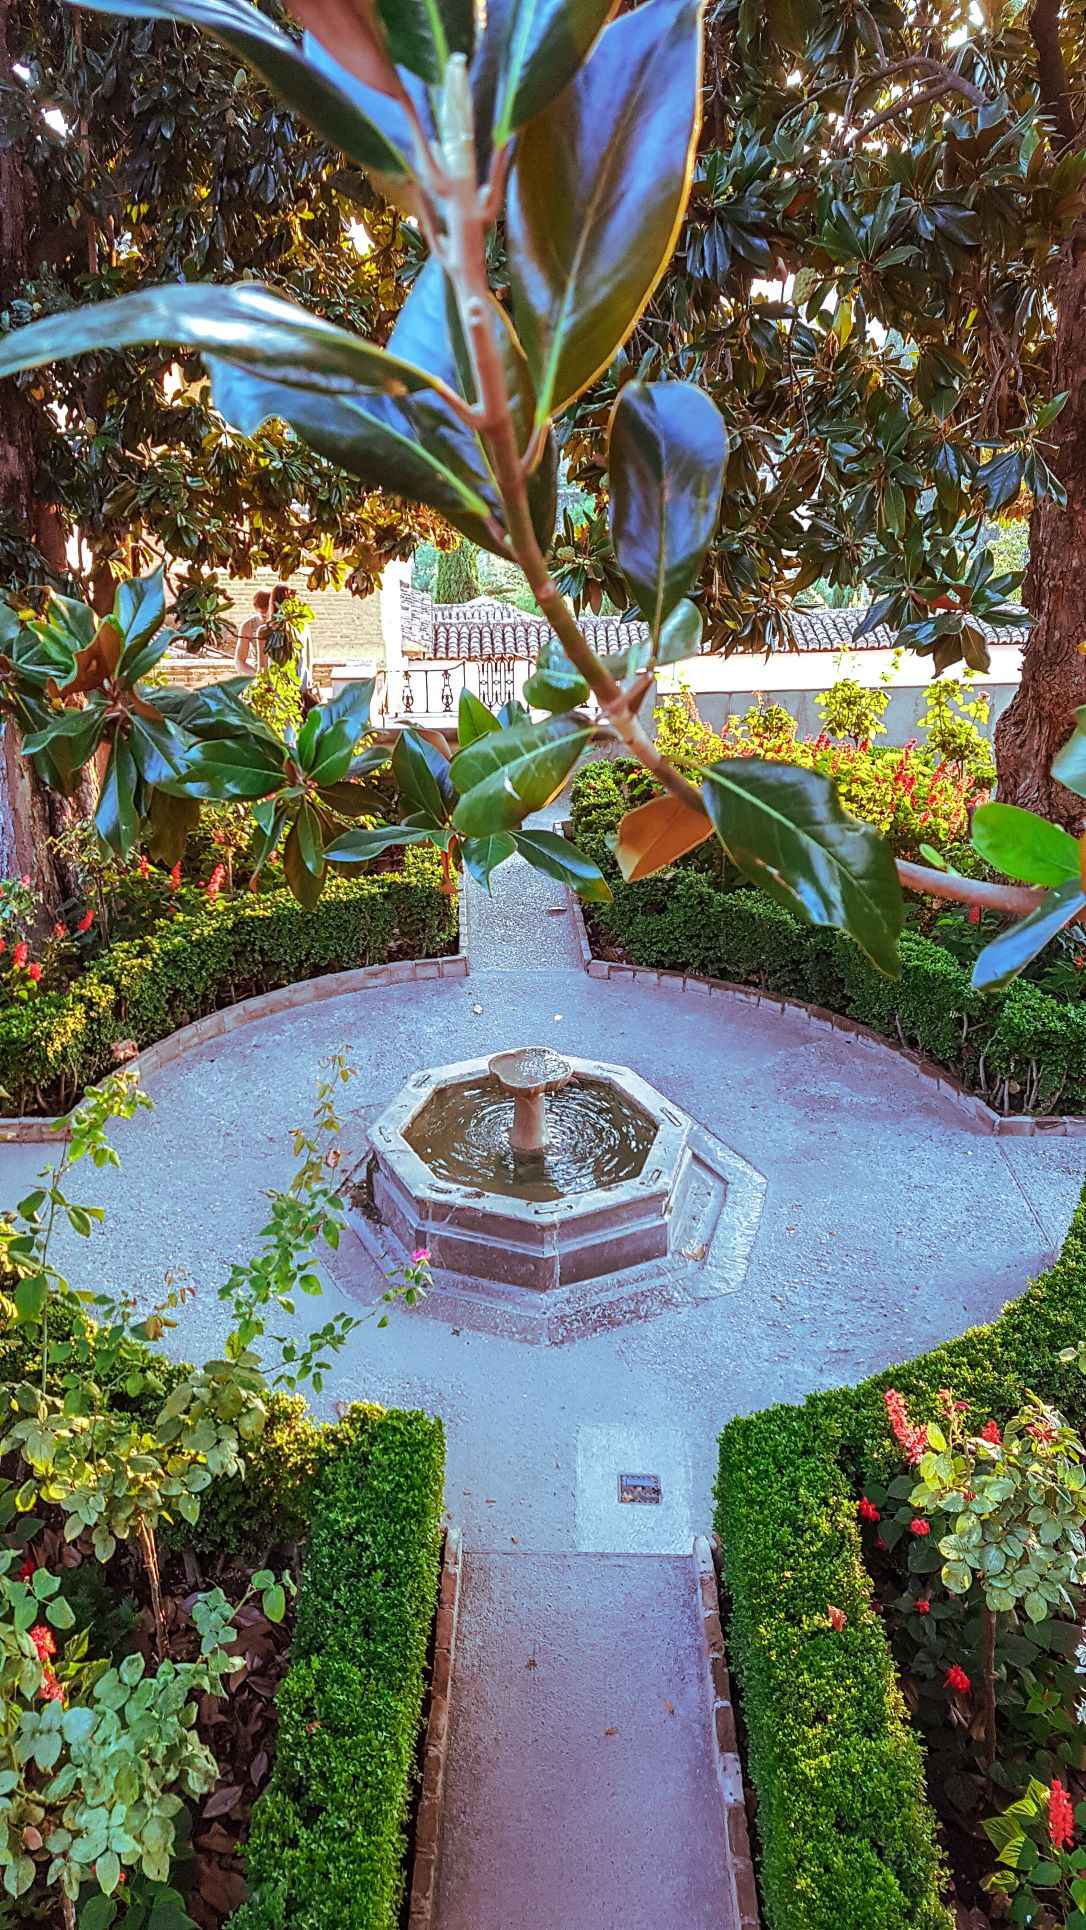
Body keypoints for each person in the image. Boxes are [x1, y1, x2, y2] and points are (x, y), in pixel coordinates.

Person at [234, 587, 269, 674]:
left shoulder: (284, 624)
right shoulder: (248, 626)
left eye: (268, 614)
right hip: (259, 672)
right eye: (263, 615)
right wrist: (255, 676)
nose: (266, 618)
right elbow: (239, 661)